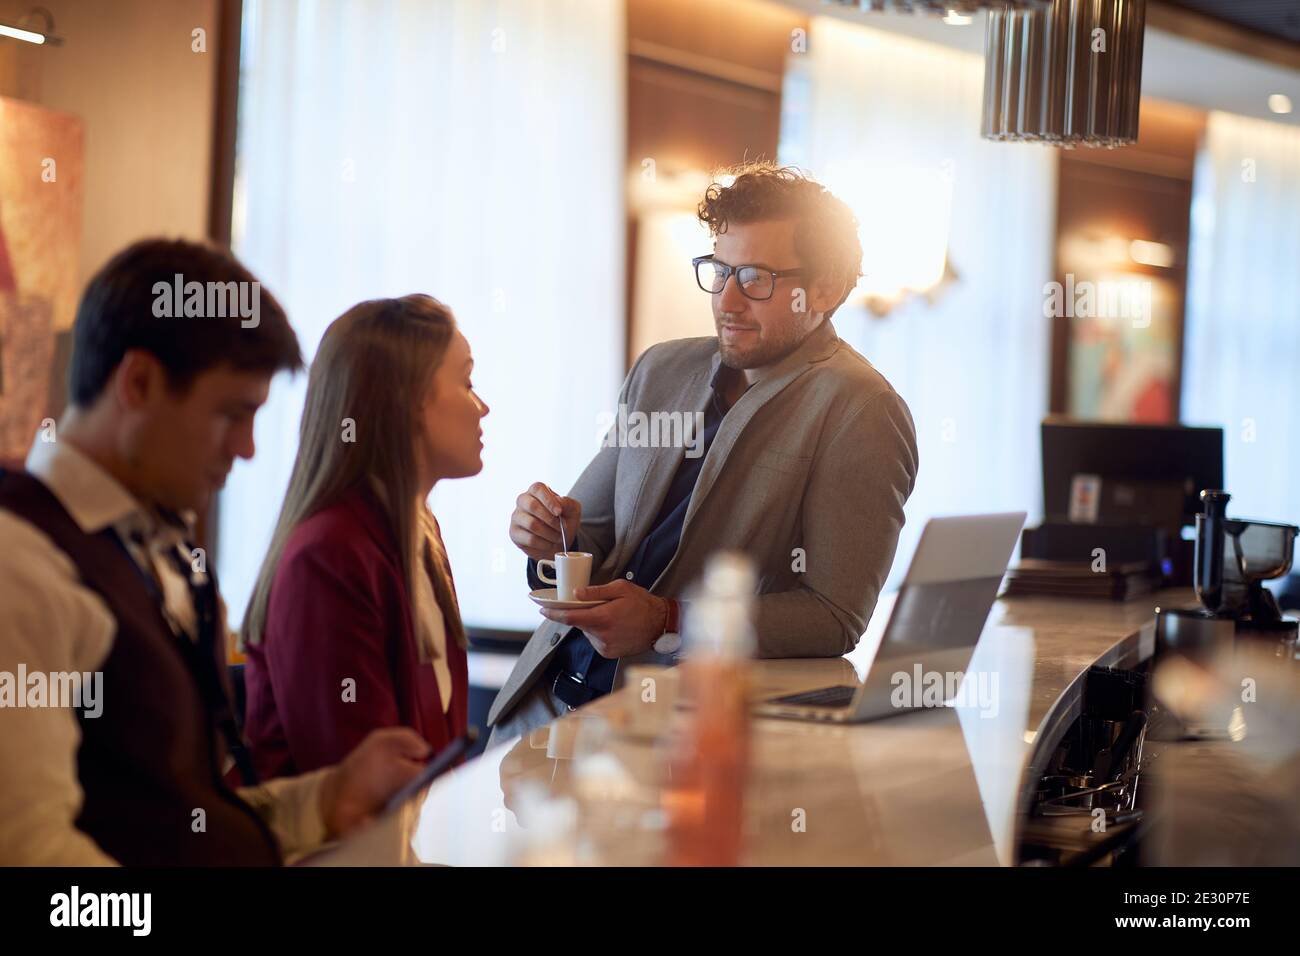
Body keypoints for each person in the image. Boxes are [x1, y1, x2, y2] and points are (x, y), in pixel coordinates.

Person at [0, 239, 432, 865]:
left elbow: (182, 818)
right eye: (232, 414)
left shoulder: (158, 554)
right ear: (140, 383)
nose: (249, 448)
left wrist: (325, 799)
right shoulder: (22, 565)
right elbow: (33, 857)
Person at [488, 162, 919, 742]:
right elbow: (587, 535)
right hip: (538, 709)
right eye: (720, 271)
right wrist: (546, 538)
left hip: (673, 741)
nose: (728, 301)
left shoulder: (862, 410)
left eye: (757, 277)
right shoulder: (661, 369)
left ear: (826, 290)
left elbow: (833, 615)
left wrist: (669, 620)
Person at [241, 295, 487, 778]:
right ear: (409, 399)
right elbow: (357, 794)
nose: (482, 406)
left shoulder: (419, 532)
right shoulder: (329, 556)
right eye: (466, 381)